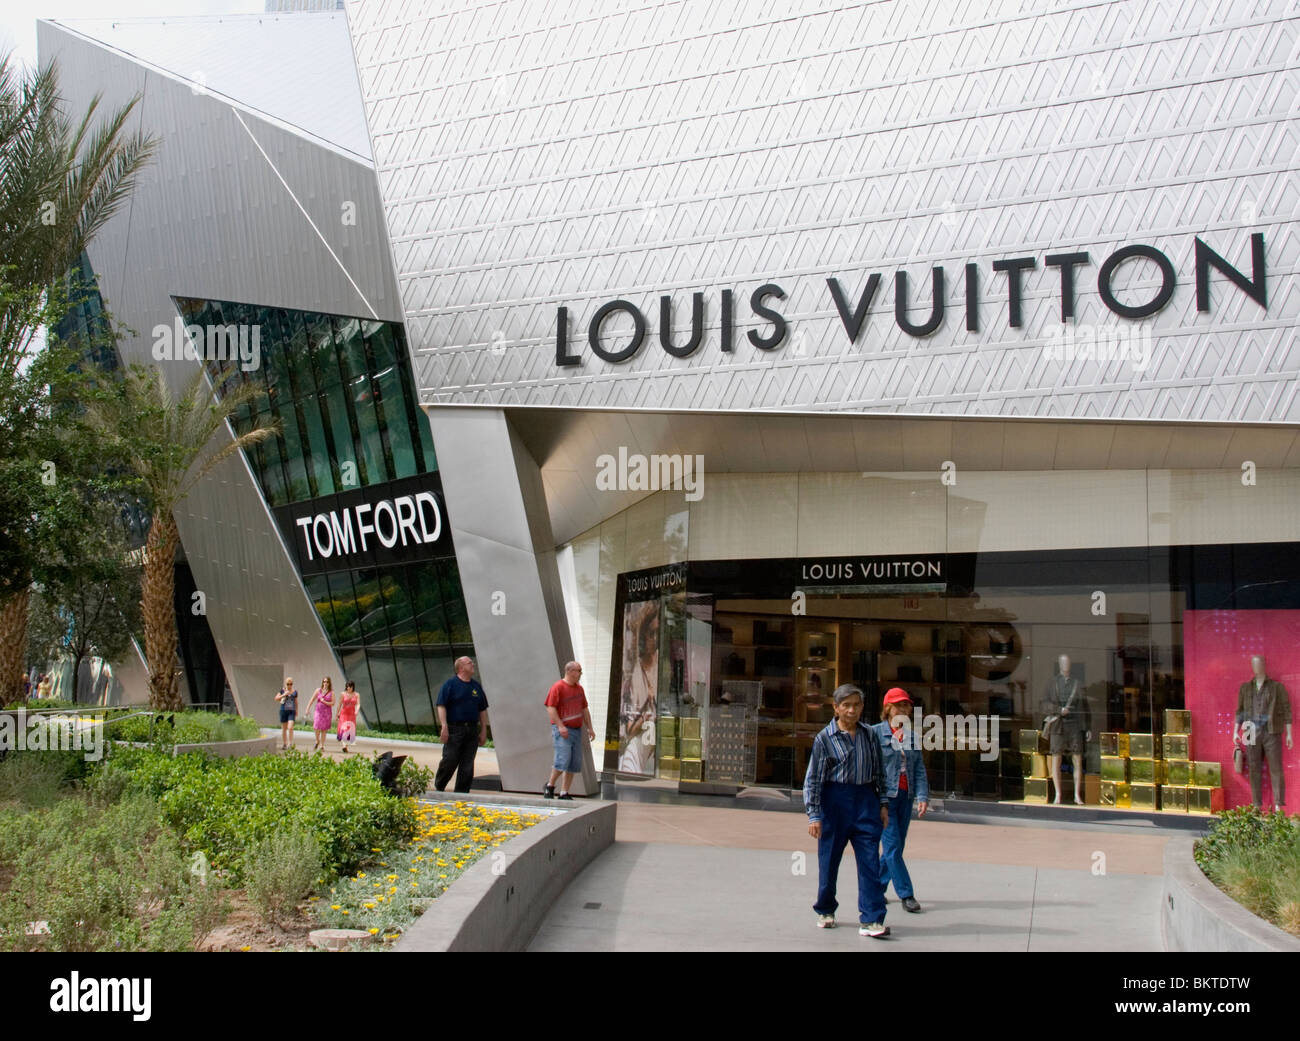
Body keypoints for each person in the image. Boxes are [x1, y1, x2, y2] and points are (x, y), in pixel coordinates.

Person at [803, 683, 890, 938]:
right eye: (847, 705)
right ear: (836, 708)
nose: (852, 710)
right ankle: (826, 908)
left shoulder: (870, 735)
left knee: (870, 862)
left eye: (857, 705)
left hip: (865, 800)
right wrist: (814, 814)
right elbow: (813, 779)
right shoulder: (824, 738)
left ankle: (872, 919)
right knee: (829, 860)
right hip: (834, 801)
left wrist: (882, 804)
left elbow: (879, 772)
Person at [872, 688, 929, 914]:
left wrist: (923, 796)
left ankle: (876, 888)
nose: (903, 709)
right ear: (888, 709)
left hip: (906, 797)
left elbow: (919, 770)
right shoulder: (875, 734)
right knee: (893, 847)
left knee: (894, 847)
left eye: (906, 705)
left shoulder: (912, 737)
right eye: (898, 705)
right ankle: (907, 894)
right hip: (886, 799)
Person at [1235, 655, 1293, 811]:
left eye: (1260, 664)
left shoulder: (1276, 688)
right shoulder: (1245, 688)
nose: (1257, 667)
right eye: (1254, 664)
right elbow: (1239, 711)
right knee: (1254, 768)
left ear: (1265, 665)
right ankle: (1257, 804)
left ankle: (1278, 805)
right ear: (1251, 666)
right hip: (1250, 731)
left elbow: (1287, 710)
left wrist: (1289, 734)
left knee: (1276, 768)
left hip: (1271, 731)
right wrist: (1236, 731)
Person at [435, 656, 490, 793]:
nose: (473, 664)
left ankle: (462, 792)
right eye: (469, 663)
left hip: (471, 730)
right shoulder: (450, 685)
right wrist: (444, 726)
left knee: (468, 764)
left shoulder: (476, 686)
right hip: (455, 729)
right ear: (460, 668)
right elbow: (441, 705)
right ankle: (440, 785)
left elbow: (482, 709)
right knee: (450, 759)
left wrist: (483, 730)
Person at [1042, 654, 1091, 805]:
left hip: (1075, 725)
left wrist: (1087, 727)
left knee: (1077, 758)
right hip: (1058, 725)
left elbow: (1084, 707)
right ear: (1059, 664)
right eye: (1063, 663)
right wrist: (1058, 709)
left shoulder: (1078, 684)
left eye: (1068, 663)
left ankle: (1077, 794)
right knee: (1056, 758)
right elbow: (1043, 704)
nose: (1066, 665)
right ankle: (1058, 794)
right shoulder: (1051, 683)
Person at [544, 661, 594, 800]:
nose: (580, 674)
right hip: (563, 730)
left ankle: (564, 792)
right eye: (579, 671)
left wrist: (589, 728)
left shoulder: (579, 689)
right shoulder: (558, 687)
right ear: (570, 671)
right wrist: (560, 726)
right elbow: (550, 707)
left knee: (573, 763)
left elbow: (584, 709)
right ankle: (550, 786)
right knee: (562, 760)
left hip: (576, 730)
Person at [619, 606, 658, 774]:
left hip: (651, 746)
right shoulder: (635, 676)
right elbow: (629, 729)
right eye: (651, 634)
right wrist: (644, 716)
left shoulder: (660, 667)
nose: (655, 639)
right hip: (638, 748)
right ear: (642, 636)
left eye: (657, 633)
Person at [304, 677, 335, 753]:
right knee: (316, 727)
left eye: (327, 682)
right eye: (324, 681)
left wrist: (324, 702)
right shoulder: (318, 690)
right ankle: (317, 740)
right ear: (322, 682)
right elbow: (312, 699)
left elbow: (333, 703)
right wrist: (307, 708)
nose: (325, 683)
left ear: (329, 683)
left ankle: (322, 745)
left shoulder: (331, 692)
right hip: (318, 711)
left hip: (327, 713)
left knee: (324, 730)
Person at [274, 677, 298, 751]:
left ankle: (290, 743)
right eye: (288, 684)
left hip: (291, 711)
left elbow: (296, 702)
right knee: (284, 728)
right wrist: (284, 695)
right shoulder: (282, 690)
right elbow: (276, 698)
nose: (289, 685)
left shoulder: (295, 692)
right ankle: (285, 743)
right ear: (285, 684)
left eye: (291, 684)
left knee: (290, 727)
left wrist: (297, 710)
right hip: (283, 710)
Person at [337, 681, 360, 754]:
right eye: (347, 686)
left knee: (349, 730)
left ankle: (345, 746)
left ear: (353, 687)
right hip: (344, 714)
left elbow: (358, 704)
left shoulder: (356, 695)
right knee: (344, 729)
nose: (348, 688)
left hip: (352, 715)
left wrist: (357, 711)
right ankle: (344, 745)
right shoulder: (343, 694)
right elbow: (340, 704)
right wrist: (337, 713)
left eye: (350, 686)